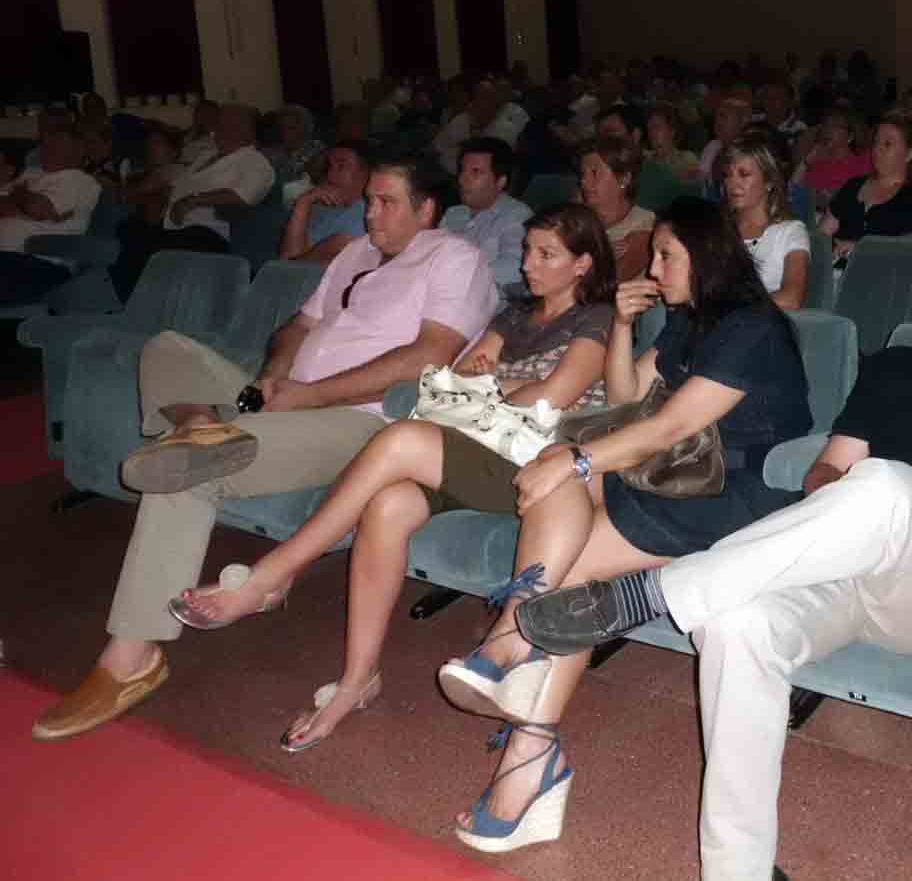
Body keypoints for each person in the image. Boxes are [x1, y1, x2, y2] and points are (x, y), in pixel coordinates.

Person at [513, 244, 912, 880]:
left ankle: (657, 592)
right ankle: (737, 870)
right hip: (860, 577)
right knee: (737, 625)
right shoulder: (899, 368)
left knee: (885, 484)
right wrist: (839, 515)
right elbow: (828, 468)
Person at [32, 155, 497, 742]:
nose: (370, 211)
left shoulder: (456, 259)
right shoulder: (354, 254)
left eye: (387, 202)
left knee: (191, 469)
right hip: (287, 397)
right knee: (167, 348)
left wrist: (307, 395)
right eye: (370, 200)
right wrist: (267, 385)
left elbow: (428, 356)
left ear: (427, 210)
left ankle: (130, 659)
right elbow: (296, 330)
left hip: (361, 419)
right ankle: (202, 423)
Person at [434, 197, 813, 856]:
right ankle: (518, 646)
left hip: (736, 497)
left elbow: (665, 427)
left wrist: (574, 455)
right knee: (568, 495)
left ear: (710, 255)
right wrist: (619, 325)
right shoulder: (689, 321)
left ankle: (521, 694)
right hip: (674, 478)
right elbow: (624, 400)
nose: (653, 266)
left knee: (572, 518)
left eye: (666, 254)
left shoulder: (753, 327)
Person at [160, 204, 615, 751]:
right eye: (526, 251)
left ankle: (271, 575)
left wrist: (492, 387)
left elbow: (554, 396)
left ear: (583, 264)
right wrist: (492, 386)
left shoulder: (597, 320)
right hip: (477, 447)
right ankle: (357, 681)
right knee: (388, 505)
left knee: (398, 440)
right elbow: (457, 378)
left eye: (547, 255)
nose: (528, 266)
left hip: (538, 467)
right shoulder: (513, 315)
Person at [110, 103, 275, 299]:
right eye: (221, 122)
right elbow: (177, 185)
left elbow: (246, 195)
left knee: (149, 250)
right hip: (172, 224)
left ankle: (138, 307)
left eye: (228, 123)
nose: (218, 129)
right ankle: (128, 306)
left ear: (248, 130)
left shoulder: (253, 161)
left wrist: (194, 200)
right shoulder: (207, 155)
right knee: (128, 230)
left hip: (207, 232)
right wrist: (160, 199)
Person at [0, 110, 101, 306]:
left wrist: (18, 197)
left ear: (77, 151)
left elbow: (37, 208)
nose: (46, 148)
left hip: (38, 262)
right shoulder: (32, 173)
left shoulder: (79, 181)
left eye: (55, 144)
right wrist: (22, 200)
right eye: (46, 144)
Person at [824, 111, 912, 261]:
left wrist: (861, 248)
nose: (877, 149)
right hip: (839, 272)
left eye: (887, 144)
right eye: (876, 142)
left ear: (909, 154)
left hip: (890, 273)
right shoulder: (853, 185)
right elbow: (822, 235)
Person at [723, 131, 810, 310]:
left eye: (744, 174)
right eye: (728, 175)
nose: (733, 183)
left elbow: (792, 298)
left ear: (769, 182)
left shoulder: (790, 232)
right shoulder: (718, 229)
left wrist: (731, 308)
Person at [440, 138, 531, 295]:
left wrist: (455, 277)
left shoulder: (517, 216)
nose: (462, 179)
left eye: (475, 172)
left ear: (500, 181)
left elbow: (514, 269)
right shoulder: (453, 214)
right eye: (462, 170)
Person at [279, 139, 376, 264]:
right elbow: (286, 262)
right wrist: (303, 203)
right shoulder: (322, 206)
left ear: (367, 172)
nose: (330, 174)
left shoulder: (370, 213)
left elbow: (291, 268)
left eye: (341, 166)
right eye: (330, 166)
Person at [578, 134, 655, 280]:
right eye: (583, 174)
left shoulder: (643, 225)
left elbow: (609, 283)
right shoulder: (581, 221)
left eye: (594, 173)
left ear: (624, 179)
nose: (584, 181)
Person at [797, 106, 870, 206]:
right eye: (826, 125)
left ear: (850, 136)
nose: (828, 129)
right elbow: (793, 192)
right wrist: (806, 161)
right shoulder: (816, 163)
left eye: (835, 125)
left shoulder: (863, 161)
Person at [436, 79, 504, 172]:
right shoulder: (460, 121)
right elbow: (438, 147)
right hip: (449, 173)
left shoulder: (501, 126)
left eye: (490, 98)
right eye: (481, 98)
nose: (486, 103)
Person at [697, 96, 750, 186]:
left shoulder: (752, 152)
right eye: (716, 116)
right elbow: (700, 181)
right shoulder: (712, 146)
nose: (718, 121)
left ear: (743, 122)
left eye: (723, 116)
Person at [645, 104, 699, 181]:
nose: (651, 132)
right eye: (649, 128)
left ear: (672, 130)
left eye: (656, 126)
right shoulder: (646, 158)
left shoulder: (687, 159)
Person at [178, 99, 220, 166]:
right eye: (201, 113)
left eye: (209, 113)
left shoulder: (220, 136)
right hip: (186, 167)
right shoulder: (185, 135)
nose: (204, 117)